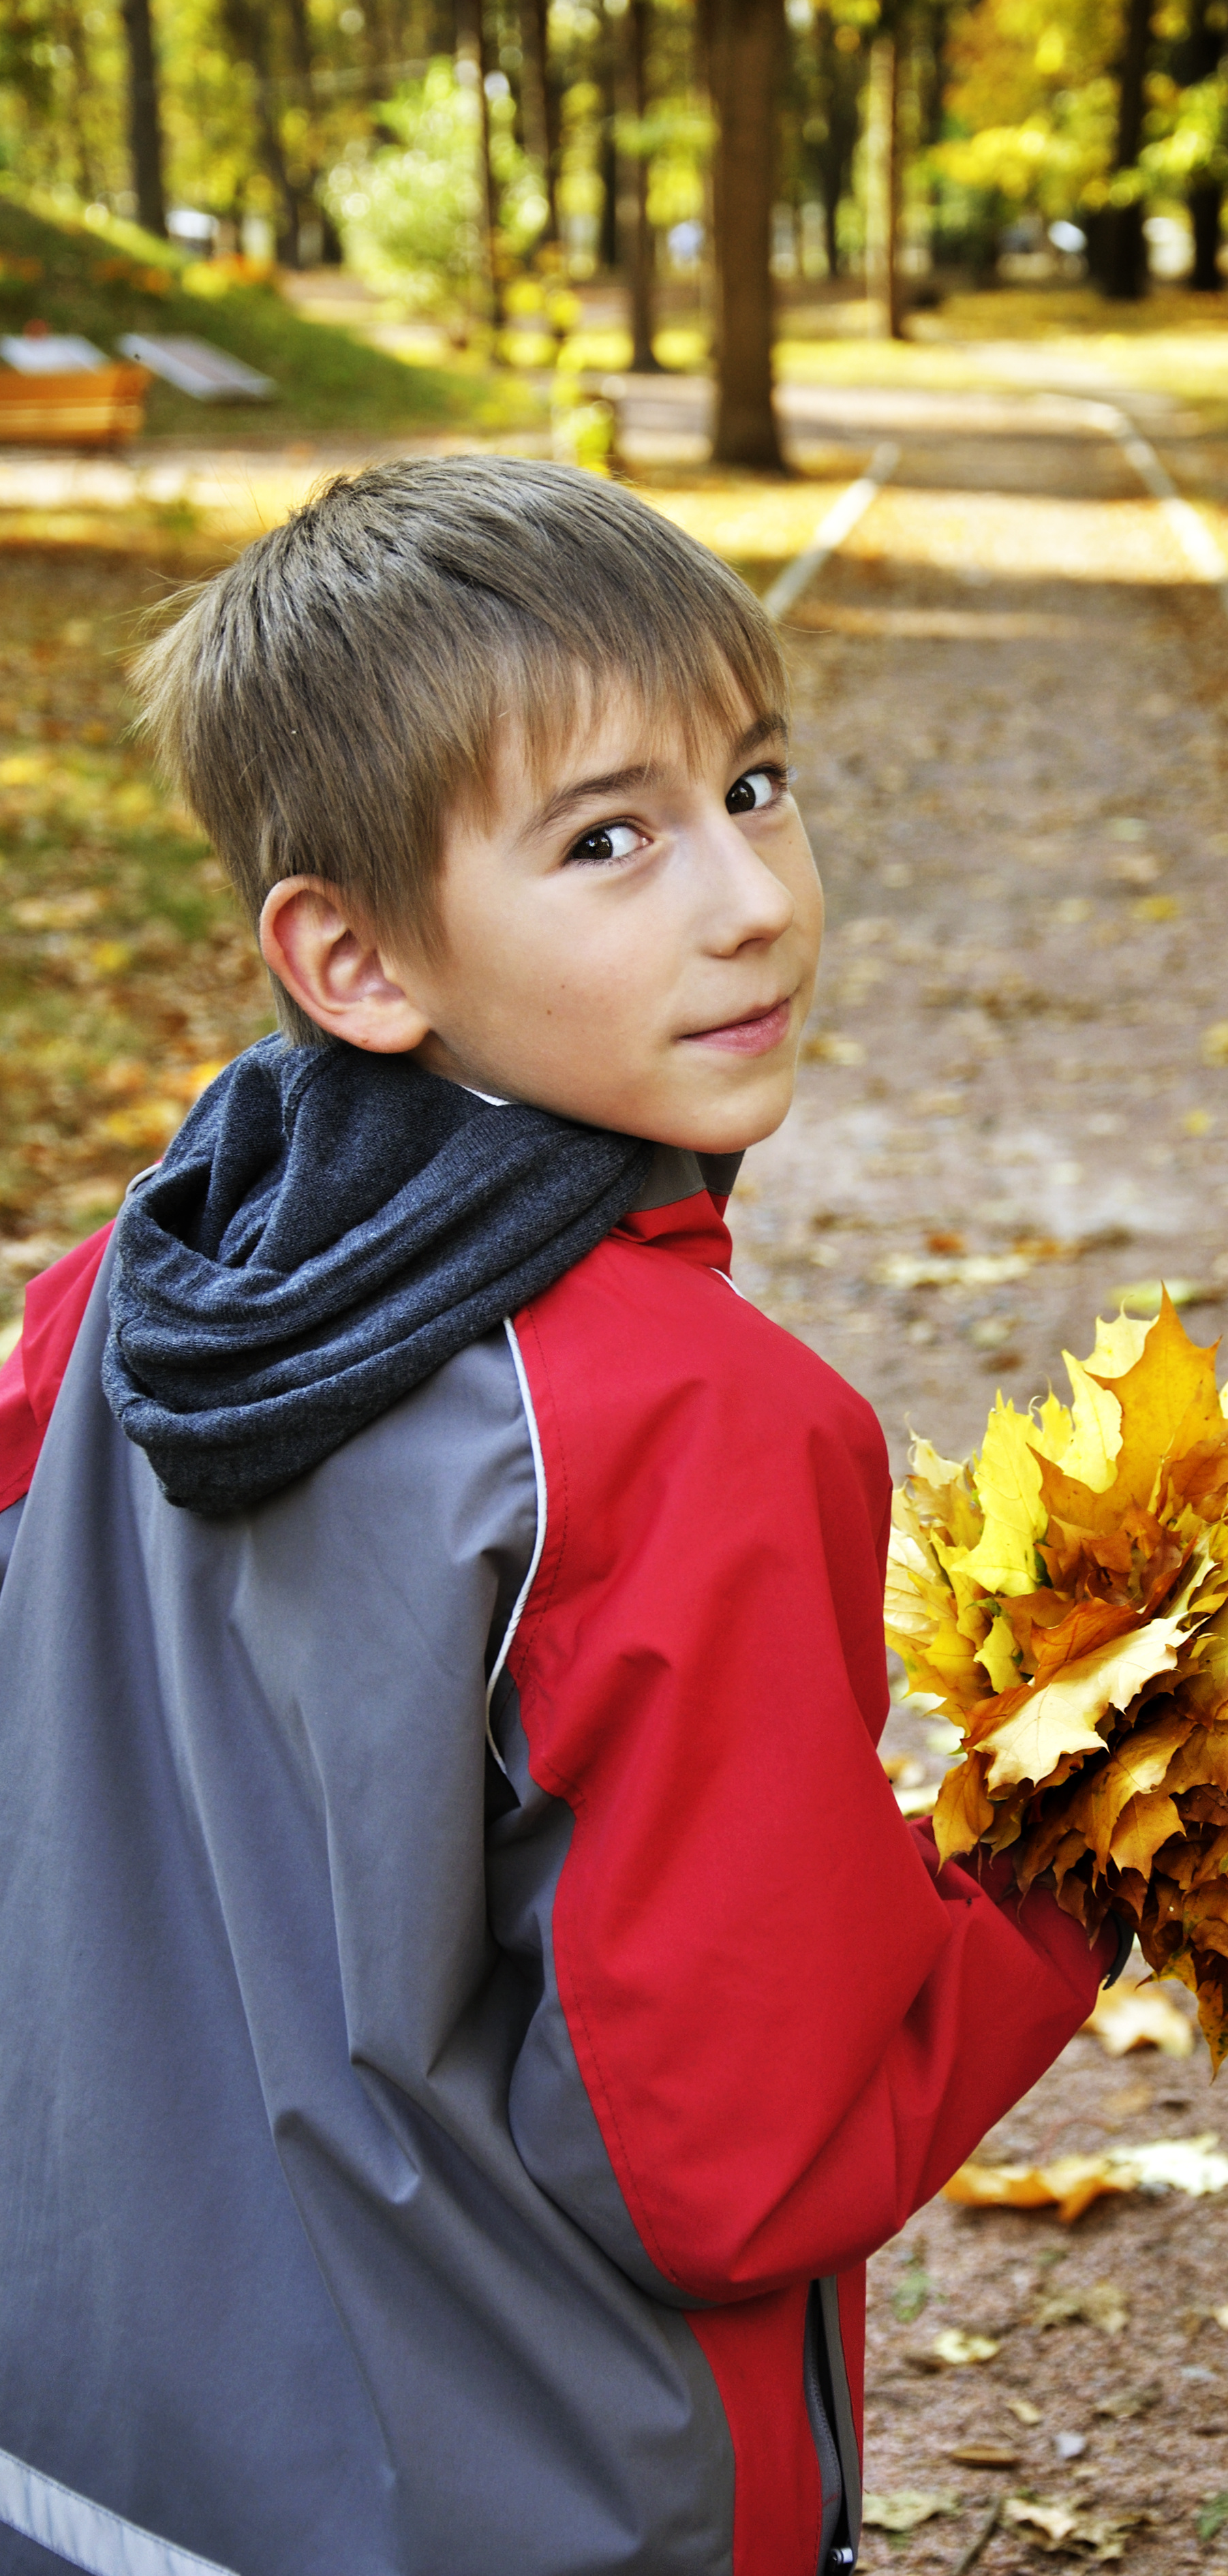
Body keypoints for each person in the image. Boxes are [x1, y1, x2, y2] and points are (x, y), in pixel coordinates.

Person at [0, 458, 1114, 2576]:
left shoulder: (124, 1293)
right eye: (610, 839)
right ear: (352, 956)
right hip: (523, 2499)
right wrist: (1076, 1864)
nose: (753, 897)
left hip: (89, 2455)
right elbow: (734, 2157)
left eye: (759, 783)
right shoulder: (689, 1431)